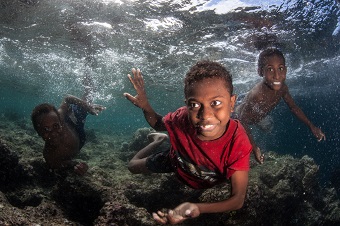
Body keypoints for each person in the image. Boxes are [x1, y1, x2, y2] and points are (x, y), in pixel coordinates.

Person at [123, 60, 252, 224]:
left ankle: (160, 139)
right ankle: (158, 140)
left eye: (216, 103)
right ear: (187, 106)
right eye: (195, 105)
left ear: (232, 103)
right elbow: (157, 123)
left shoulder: (237, 142)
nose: (205, 115)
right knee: (132, 166)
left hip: (210, 177)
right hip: (175, 161)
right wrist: (145, 106)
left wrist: (197, 207)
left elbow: (237, 200)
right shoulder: (182, 117)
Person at [234, 47, 326, 164]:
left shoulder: (283, 88)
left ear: (286, 70)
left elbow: (294, 108)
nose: (277, 76)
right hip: (238, 115)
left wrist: (312, 126)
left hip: (258, 116)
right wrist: (254, 147)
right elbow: (242, 121)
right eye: (270, 69)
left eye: (281, 68)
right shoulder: (257, 95)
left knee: (268, 128)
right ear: (260, 71)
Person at [31, 95, 105, 175]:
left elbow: (67, 98)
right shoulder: (50, 157)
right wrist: (78, 167)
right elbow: (67, 164)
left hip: (75, 122)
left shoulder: (60, 116)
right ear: (38, 132)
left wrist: (87, 106)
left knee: (85, 100)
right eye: (46, 129)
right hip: (80, 139)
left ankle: (88, 87)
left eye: (56, 126)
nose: (53, 133)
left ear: (60, 122)